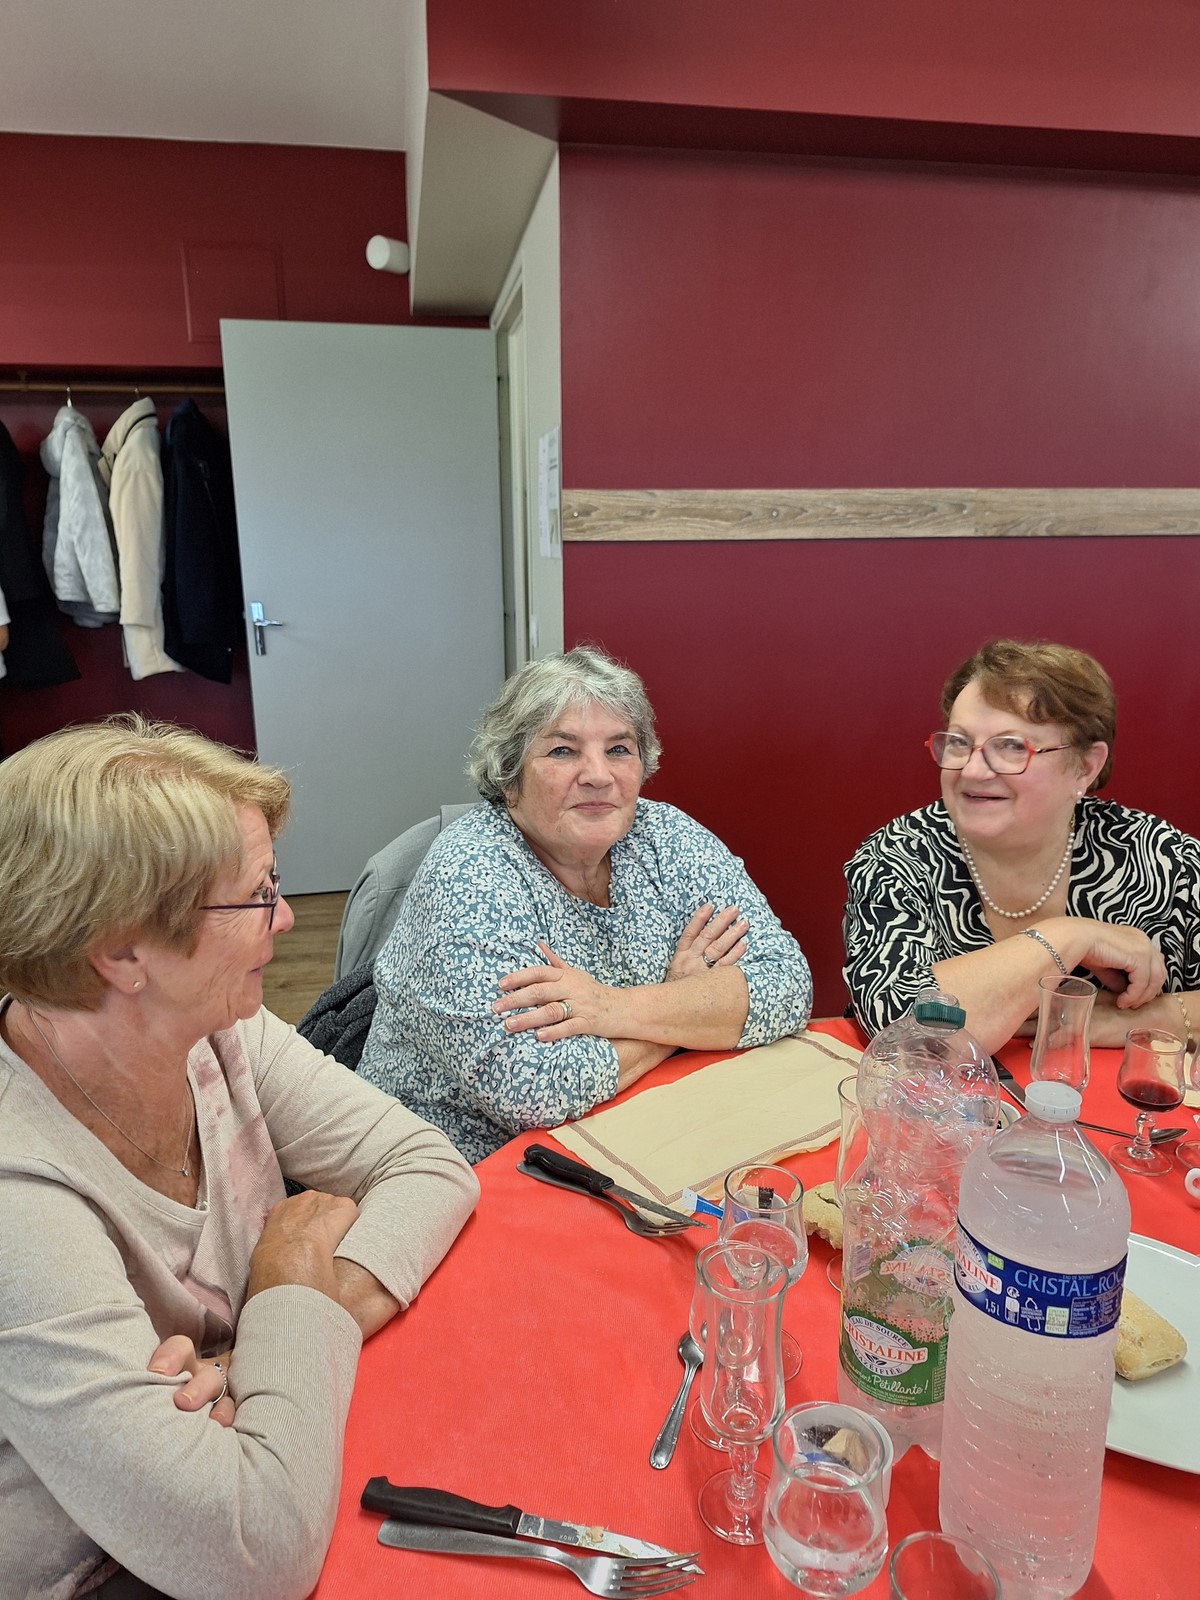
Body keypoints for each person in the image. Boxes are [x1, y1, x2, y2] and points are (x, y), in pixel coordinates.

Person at [0, 718, 479, 1600]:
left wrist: (251, 1354)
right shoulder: (17, 1196)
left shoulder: (216, 1028)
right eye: (258, 894)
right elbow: (257, 1553)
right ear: (121, 951)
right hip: (100, 1570)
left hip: (251, 1446)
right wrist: (289, 1278)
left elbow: (429, 1166)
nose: (286, 918)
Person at [358, 646, 813, 1163]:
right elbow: (531, 1090)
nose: (599, 774)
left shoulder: (664, 834)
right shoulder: (471, 872)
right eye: (563, 751)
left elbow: (788, 987)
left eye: (619, 749)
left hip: (633, 1131)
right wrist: (685, 1008)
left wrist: (611, 1008)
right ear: (509, 779)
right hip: (460, 1169)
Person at [843, 639, 1200, 1053]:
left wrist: (1145, 1019)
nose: (972, 770)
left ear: (1085, 767)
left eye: (1011, 747)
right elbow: (901, 1027)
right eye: (959, 742)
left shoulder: (1160, 858)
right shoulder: (897, 857)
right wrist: (1068, 936)